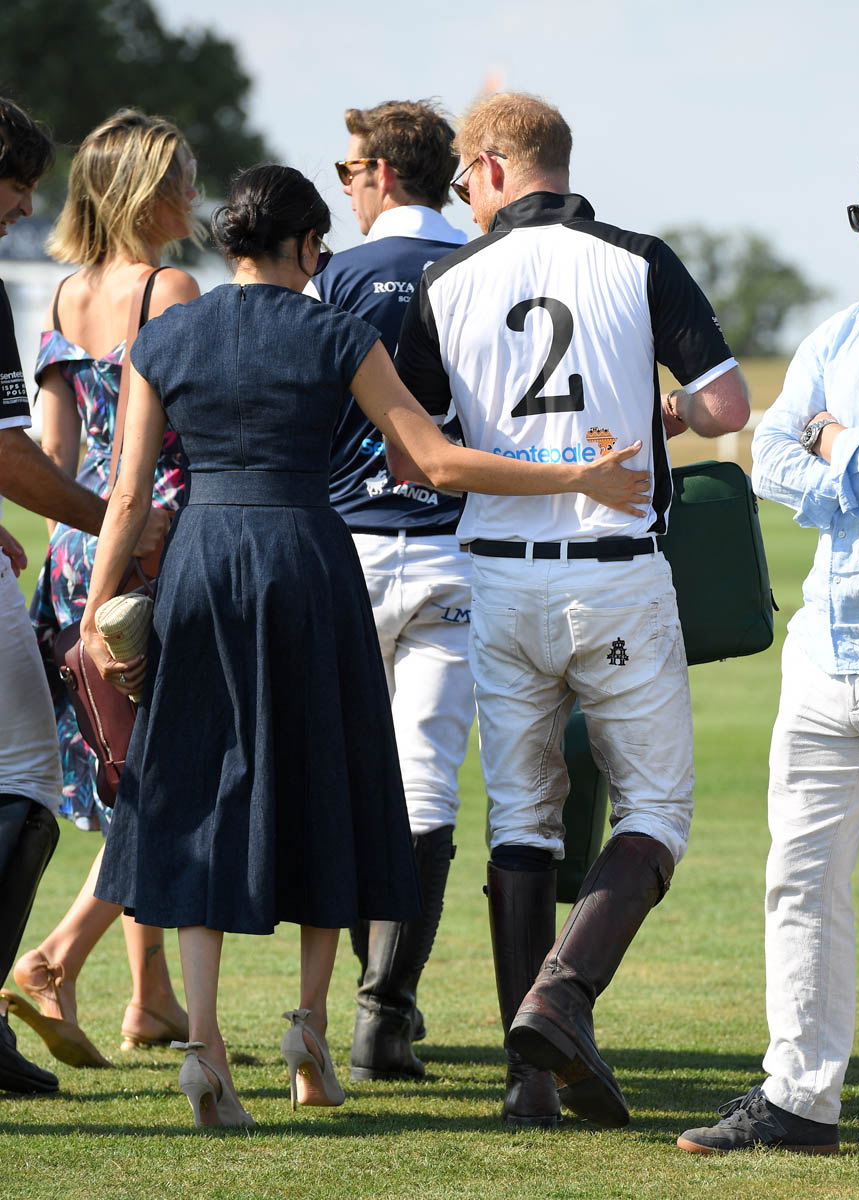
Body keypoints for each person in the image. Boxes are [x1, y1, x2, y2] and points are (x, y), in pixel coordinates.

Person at [77, 162, 653, 1128]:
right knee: (328, 783)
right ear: (308, 247)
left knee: (195, 790)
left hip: (203, 564)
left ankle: (205, 1046)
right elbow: (431, 460)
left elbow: (130, 494)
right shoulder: (336, 333)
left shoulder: (165, 335)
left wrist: (100, 616)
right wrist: (574, 478)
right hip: (308, 560)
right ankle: (308, 1030)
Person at [393, 92, 750, 1130]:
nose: (462, 196)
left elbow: (415, 451)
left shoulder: (446, 280)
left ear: (492, 168)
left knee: (521, 816)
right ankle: (561, 996)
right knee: (656, 811)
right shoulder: (639, 258)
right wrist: (663, 411)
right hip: (615, 570)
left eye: (462, 179)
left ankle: (529, 1081)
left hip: (498, 578)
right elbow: (725, 406)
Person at [676, 151, 859, 1157]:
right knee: (798, 880)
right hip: (827, 648)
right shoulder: (836, 337)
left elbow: (822, 448)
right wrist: (841, 460)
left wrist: (837, 442)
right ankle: (799, 1101)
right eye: (858, 212)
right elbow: (768, 458)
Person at [5, 109, 199, 1070]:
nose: (195, 198)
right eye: (182, 179)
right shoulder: (172, 290)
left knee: (127, 768)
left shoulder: (66, 294)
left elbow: (53, 452)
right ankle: (54, 957)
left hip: (77, 548)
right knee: (167, 777)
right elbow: (186, 431)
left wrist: (79, 547)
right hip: (153, 544)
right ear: (148, 195)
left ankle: (151, 997)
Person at [306, 99, 474, 1082]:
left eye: (348, 169)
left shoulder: (334, 276)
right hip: (457, 551)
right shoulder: (485, 264)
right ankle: (383, 1016)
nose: (345, 187)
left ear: (380, 172)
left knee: (341, 782)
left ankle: (345, 1007)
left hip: (347, 554)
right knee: (426, 786)